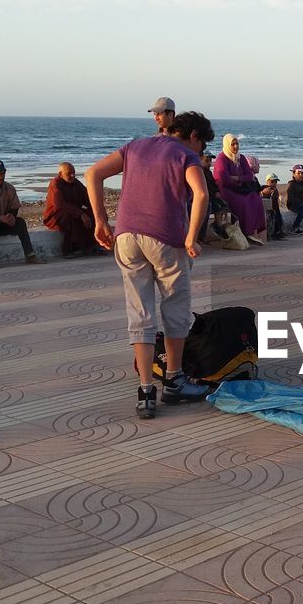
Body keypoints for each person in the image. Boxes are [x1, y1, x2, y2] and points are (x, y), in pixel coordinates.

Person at [86, 110, 212, 417]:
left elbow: (92, 174)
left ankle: (145, 391)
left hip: (126, 236)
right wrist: (191, 237)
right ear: (193, 135)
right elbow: (201, 194)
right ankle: (174, 380)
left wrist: (101, 221)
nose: (202, 152)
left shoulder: (136, 145)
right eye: (203, 145)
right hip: (166, 239)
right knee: (175, 306)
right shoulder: (186, 155)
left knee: (139, 311)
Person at [213, 135, 266, 245]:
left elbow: (249, 176)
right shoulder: (221, 159)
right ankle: (246, 232)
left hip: (242, 189)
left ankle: (254, 232)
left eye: (237, 143)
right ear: (227, 145)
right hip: (227, 191)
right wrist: (240, 179)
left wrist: (236, 178)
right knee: (243, 203)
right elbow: (224, 180)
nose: (236, 146)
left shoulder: (240, 158)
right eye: (233, 144)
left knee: (256, 199)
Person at [43, 163, 96, 256]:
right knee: (68, 217)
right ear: (60, 174)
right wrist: (81, 214)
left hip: (74, 212)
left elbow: (88, 199)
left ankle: (91, 246)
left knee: (93, 214)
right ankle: (68, 249)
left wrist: (97, 209)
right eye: (69, 173)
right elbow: (59, 204)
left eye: (74, 173)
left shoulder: (76, 183)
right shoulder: (55, 184)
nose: (72, 175)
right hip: (56, 216)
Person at [261, 174, 286, 239]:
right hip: (267, 209)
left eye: (275, 182)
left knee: (278, 218)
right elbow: (263, 193)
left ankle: (278, 232)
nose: (274, 184)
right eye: (272, 182)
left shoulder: (275, 190)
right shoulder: (265, 188)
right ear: (267, 182)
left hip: (275, 208)